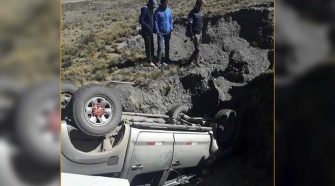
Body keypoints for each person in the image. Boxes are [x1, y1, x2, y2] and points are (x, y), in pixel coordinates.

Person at [153, 0, 173, 67]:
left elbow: (171, 19)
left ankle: (167, 59)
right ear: (161, 3)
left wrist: (171, 27)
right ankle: (158, 61)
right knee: (160, 47)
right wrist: (157, 31)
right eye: (164, 2)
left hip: (168, 31)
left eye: (167, 2)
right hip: (160, 32)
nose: (166, 3)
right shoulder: (157, 11)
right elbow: (155, 21)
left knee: (167, 46)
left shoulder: (169, 10)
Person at [139, 0, 158, 68]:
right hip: (146, 32)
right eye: (153, 6)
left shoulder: (150, 9)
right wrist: (148, 27)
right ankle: (149, 61)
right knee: (148, 46)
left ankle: (152, 58)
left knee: (151, 45)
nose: (153, 8)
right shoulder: (145, 9)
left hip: (150, 31)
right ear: (150, 4)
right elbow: (141, 20)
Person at [186, 0, 204, 66]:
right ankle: (189, 61)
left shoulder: (200, 12)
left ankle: (197, 61)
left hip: (200, 32)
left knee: (199, 48)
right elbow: (190, 25)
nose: (201, 7)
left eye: (201, 6)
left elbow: (201, 21)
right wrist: (192, 35)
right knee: (197, 49)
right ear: (197, 5)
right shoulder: (192, 13)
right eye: (200, 6)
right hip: (195, 34)